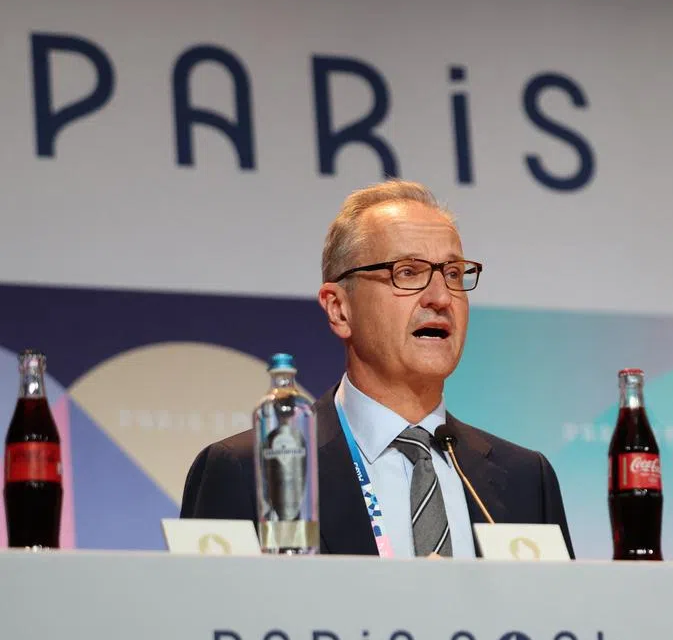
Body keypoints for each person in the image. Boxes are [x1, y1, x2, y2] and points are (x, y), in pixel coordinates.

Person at [179, 180, 575, 558]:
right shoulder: (247, 469)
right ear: (339, 309)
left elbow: (563, 623)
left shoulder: (525, 478)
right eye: (407, 272)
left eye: (453, 274)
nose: (440, 298)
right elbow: (211, 620)